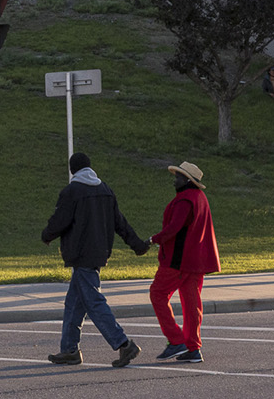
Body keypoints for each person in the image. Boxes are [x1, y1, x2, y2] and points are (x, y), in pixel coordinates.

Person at [40, 151, 149, 368]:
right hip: (98, 253)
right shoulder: (105, 190)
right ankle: (69, 350)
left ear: (73, 170)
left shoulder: (72, 192)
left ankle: (123, 344)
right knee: (74, 303)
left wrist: (46, 235)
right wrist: (137, 244)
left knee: (94, 302)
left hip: (80, 255)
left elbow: (60, 220)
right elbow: (120, 223)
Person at [148, 160, 219, 364]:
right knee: (192, 303)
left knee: (158, 293)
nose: (175, 181)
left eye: (178, 177)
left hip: (178, 260)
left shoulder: (185, 200)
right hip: (196, 261)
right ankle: (193, 347)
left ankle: (176, 340)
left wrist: (153, 239)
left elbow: (173, 229)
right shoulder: (199, 197)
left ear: (187, 180)